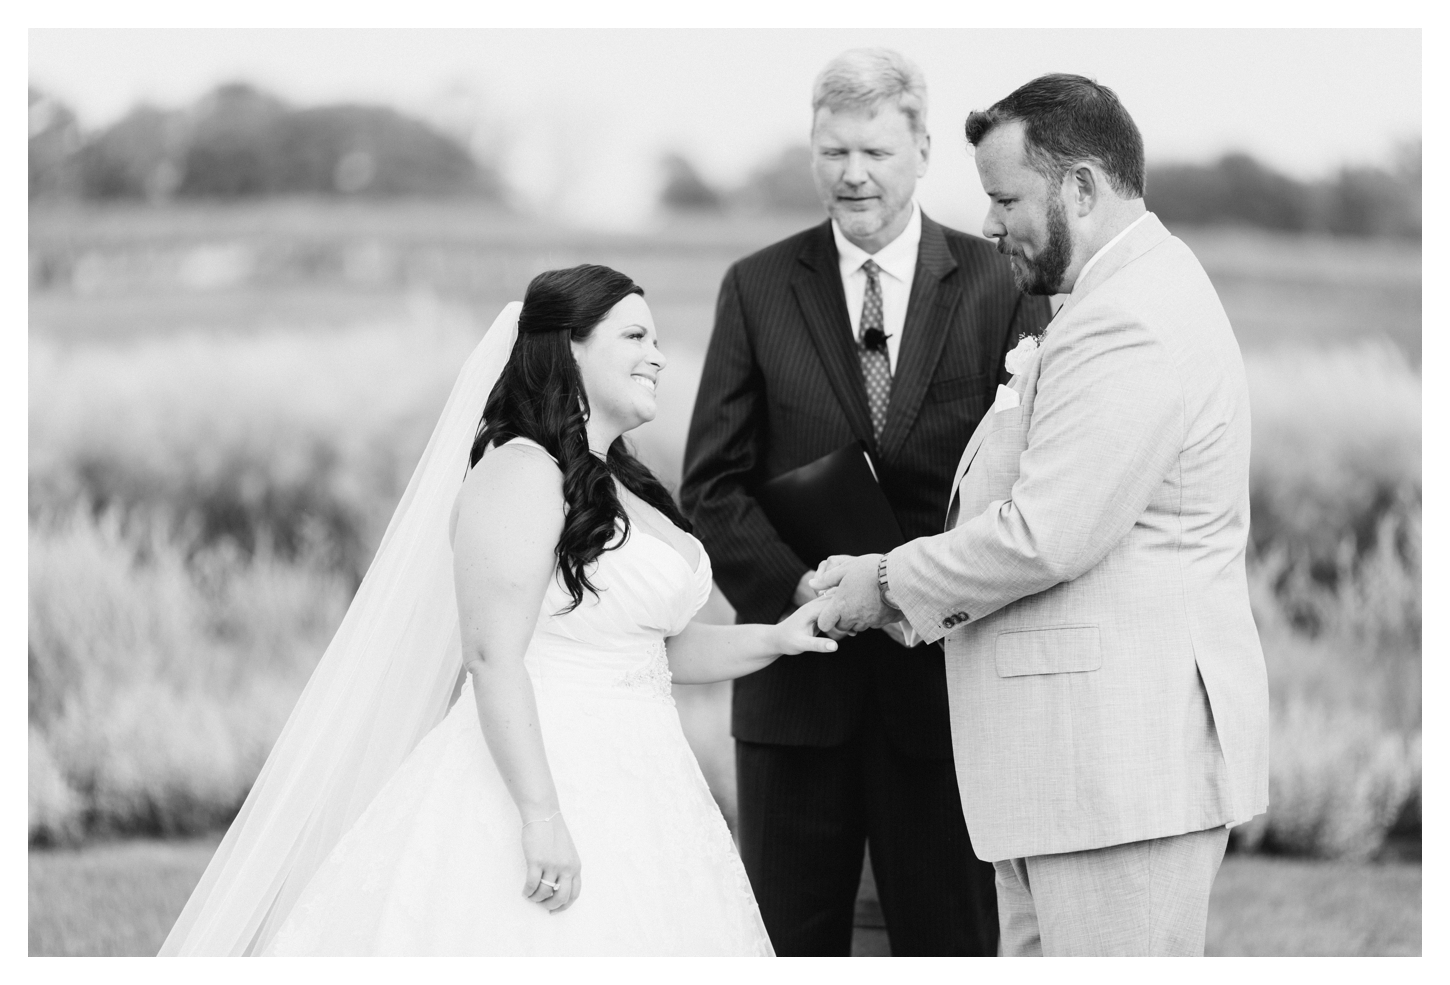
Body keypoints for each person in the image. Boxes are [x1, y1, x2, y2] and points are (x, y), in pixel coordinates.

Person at [161, 265, 837, 956]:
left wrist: (780, 637)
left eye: (656, 338)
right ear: (569, 347)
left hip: (645, 782)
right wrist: (541, 815)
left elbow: (650, 652)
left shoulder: (619, 482)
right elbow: (491, 656)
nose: (658, 354)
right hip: (540, 770)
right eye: (635, 335)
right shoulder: (520, 471)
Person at [812, 74, 1271, 956]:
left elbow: (1046, 532)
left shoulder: (1130, 320)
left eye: (1005, 198)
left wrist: (884, 582)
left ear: (1084, 187)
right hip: (1074, 779)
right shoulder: (1108, 302)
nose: (988, 225)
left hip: (1119, 775)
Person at [680, 49, 1050, 956]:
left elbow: (1027, 483)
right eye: (831, 149)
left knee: (950, 945)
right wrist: (810, 595)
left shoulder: (1001, 282)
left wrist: (909, 592)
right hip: (795, 696)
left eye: (876, 152)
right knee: (783, 946)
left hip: (946, 688)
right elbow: (711, 483)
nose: (852, 174)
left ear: (924, 148)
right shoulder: (756, 286)